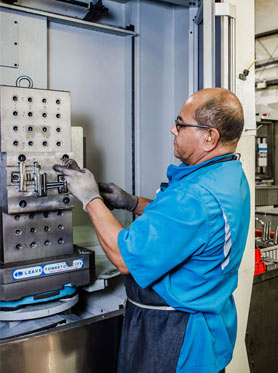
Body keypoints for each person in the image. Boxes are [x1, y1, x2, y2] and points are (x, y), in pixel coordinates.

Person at [53, 87, 250, 373]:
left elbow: (123, 257)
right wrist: (132, 203)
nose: (173, 129)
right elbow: (192, 226)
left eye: (181, 124)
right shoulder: (228, 175)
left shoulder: (194, 197)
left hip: (177, 337)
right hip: (209, 329)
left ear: (210, 137)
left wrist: (90, 199)